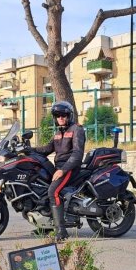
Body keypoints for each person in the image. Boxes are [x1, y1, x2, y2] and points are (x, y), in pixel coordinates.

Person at [32, 101, 85, 240]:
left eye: (63, 115)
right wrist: (27, 150)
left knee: (52, 191)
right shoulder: (58, 133)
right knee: (40, 189)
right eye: (57, 115)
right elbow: (46, 149)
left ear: (69, 116)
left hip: (70, 168)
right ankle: (45, 227)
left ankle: (61, 232)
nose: (60, 117)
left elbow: (77, 155)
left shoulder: (76, 129)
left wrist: (63, 170)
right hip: (59, 167)